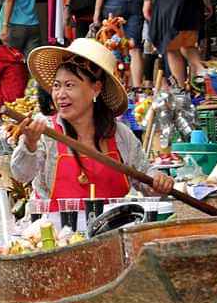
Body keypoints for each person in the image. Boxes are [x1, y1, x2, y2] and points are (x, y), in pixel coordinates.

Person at [11, 38, 174, 209]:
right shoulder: (46, 131)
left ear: (96, 88)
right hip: (56, 232)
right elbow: (21, 174)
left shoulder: (119, 134)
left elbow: (145, 177)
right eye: (57, 86)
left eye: (69, 85)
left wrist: (158, 181)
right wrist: (29, 144)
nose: (60, 94)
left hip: (112, 230)